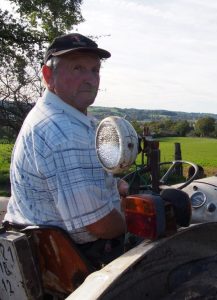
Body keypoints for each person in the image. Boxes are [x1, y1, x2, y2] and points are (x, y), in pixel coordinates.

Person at [4, 33, 127, 268]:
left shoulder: (60, 115)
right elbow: (97, 225)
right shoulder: (63, 131)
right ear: (48, 75)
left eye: (95, 70)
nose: (90, 79)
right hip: (73, 257)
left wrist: (113, 185)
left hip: (37, 242)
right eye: (77, 68)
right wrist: (130, 219)